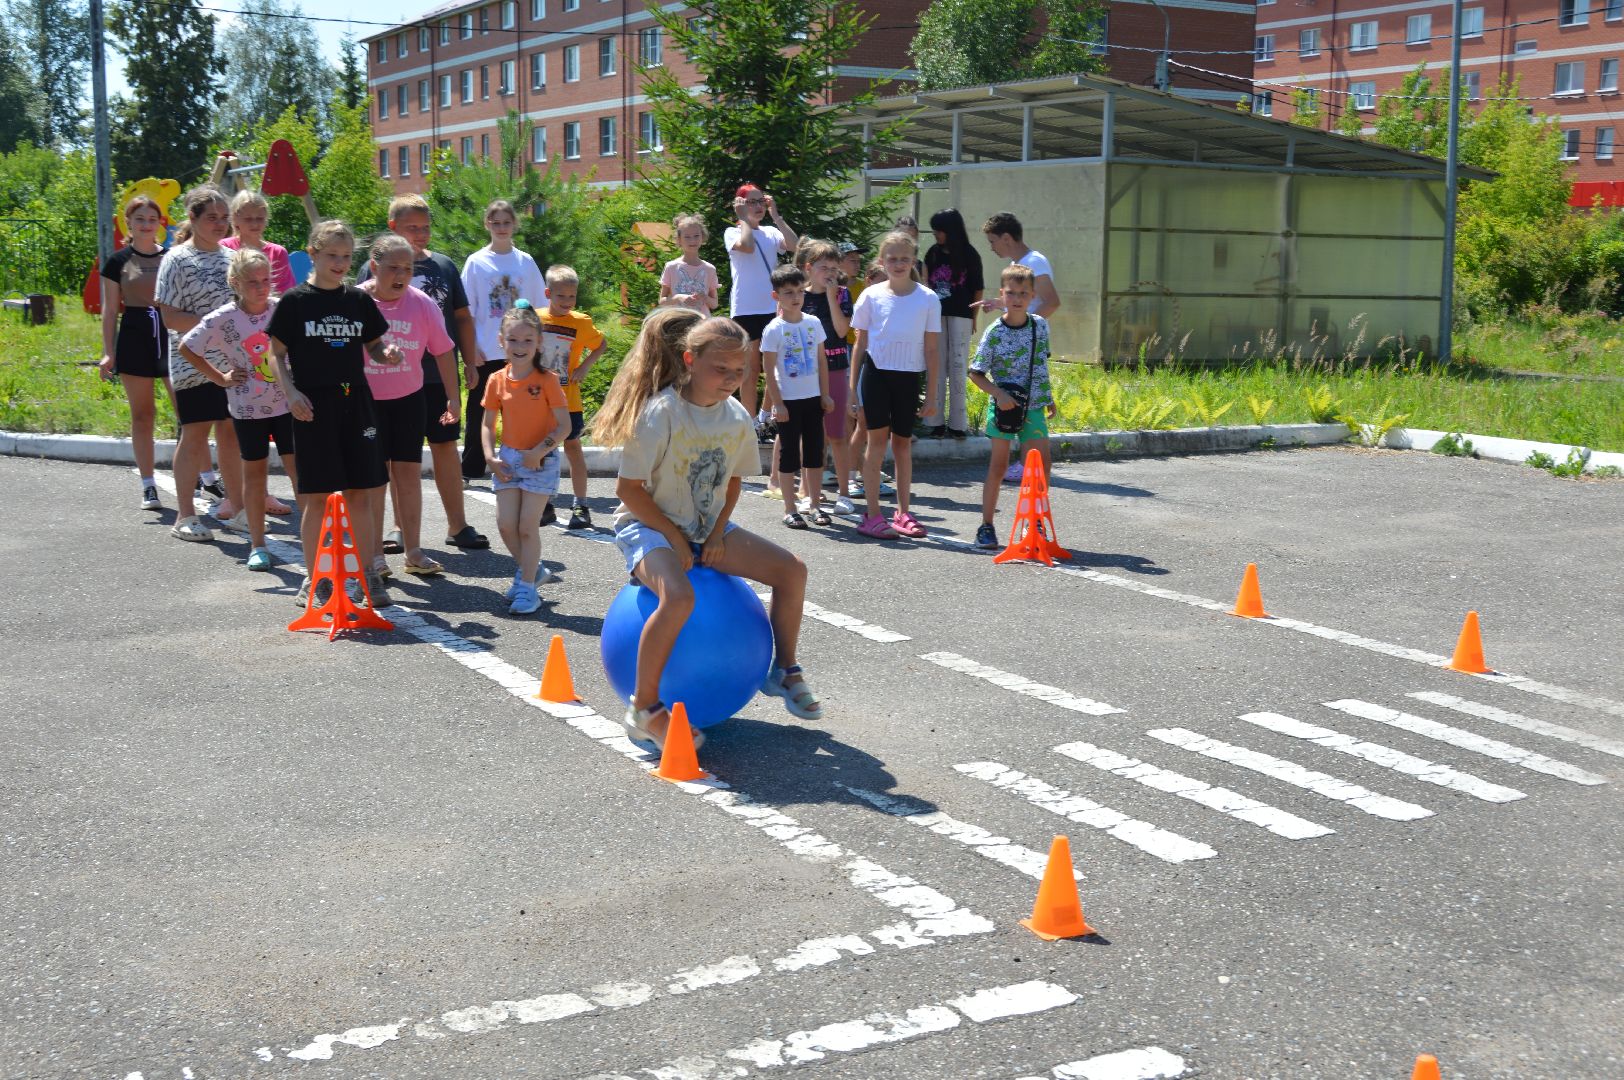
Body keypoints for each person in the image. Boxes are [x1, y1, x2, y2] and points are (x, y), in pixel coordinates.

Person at [592, 311, 821, 749]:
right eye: (721, 369)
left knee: (792, 570)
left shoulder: (735, 416)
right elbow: (629, 491)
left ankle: (784, 670)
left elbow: (732, 482)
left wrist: (716, 535)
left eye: (739, 371)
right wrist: (676, 539)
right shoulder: (661, 413)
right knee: (679, 596)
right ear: (689, 361)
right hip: (647, 527)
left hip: (705, 527)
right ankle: (645, 707)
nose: (732, 379)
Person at [266, 220, 401, 609]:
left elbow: (373, 345)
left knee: (361, 492)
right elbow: (275, 354)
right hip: (312, 406)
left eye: (346, 257)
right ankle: (314, 579)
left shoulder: (357, 300)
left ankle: (367, 576)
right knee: (317, 498)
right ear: (313, 254)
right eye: (332, 256)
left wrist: (386, 354)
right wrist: (290, 393)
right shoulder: (295, 301)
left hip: (356, 403)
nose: (340, 264)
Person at [364, 194, 488, 552]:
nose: (420, 234)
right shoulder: (377, 266)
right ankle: (399, 530)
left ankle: (458, 525)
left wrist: (468, 361)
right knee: (393, 458)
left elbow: (461, 317)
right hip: (388, 380)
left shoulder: (445, 266)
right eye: (411, 228)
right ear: (393, 229)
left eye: (425, 227)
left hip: (435, 374)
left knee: (445, 446)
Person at [178, 248, 296, 571]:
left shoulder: (283, 309)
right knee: (254, 477)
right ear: (235, 282)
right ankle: (258, 545)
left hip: (288, 405)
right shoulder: (224, 318)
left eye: (265, 280)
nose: (261, 287)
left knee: (299, 471)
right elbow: (187, 347)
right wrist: (221, 378)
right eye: (252, 282)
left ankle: (317, 539)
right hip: (247, 410)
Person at [359, 233, 460, 578]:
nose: (401, 275)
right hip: (365, 402)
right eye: (392, 268)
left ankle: (414, 551)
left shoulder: (421, 303)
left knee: (408, 475)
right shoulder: (355, 301)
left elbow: (443, 350)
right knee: (373, 480)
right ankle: (374, 556)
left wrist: (454, 397)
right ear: (374, 266)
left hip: (408, 399)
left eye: (407, 268)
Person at [155, 185, 246, 542]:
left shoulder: (230, 258)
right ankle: (185, 516)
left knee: (230, 432)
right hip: (193, 363)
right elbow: (169, 316)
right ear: (192, 219)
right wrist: (212, 327)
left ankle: (237, 509)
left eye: (225, 218)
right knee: (195, 434)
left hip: (233, 363)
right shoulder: (176, 259)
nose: (221, 224)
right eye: (212, 218)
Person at [849, 232, 941, 539]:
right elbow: (859, 345)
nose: (898, 264)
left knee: (903, 444)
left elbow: (931, 349)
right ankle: (872, 514)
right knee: (876, 442)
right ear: (881, 261)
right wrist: (852, 388)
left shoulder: (927, 298)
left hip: (908, 377)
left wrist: (935, 395)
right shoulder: (871, 295)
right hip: (876, 374)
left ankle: (903, 511)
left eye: (904, 258)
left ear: (914, 260)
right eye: (892, 258)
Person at [481, 303, 569, 616]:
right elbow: (487, 424)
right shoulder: (496, 380)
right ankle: (533, 570)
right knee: (506, 525)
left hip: (540, 461)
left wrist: (538, 451)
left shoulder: (548, 380)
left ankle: (528, 587)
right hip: (507, 459)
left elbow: (564, 426)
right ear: (501, 341)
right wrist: (490, 456)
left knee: (527, 527)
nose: (520, 347)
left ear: (539, 343)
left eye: (527, 340)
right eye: (513, 340)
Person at [968, 264, 1055, 550]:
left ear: (1032, 296)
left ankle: (1034, 519)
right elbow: (976, 372)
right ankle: (986, 525)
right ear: (1002, 294)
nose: (1017, 298)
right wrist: (999, 395)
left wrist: (1048, 395)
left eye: (1023, 293)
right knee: (999, 466)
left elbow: (1041, 363)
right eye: (1011, 293)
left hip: (1034, 406)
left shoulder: (1040, 325)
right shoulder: (994, 332)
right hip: (1005, 408)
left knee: (1040, 465)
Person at [461, 199, 547, 480]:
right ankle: (472, 468)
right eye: (495, 223)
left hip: (520, 348)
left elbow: (537, 308)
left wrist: (537, 345)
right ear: (487, 224)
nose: (501, 228)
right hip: (487, 349)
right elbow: (467, 311)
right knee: (479, 410)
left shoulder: (525, 262)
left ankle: (525, 463)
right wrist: (472, 348)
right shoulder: (476, 262)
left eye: (506, 223)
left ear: (514, 225)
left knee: (524, 408)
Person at [97, 194, 170, 511]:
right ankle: (148, 485)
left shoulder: (173, 257)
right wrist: (108, 353)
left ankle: (204, 475)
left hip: (170, 333)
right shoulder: (117, 262)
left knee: (190, 414)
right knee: (143, 415)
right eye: (139, 219)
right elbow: (110, 310)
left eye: (151, 219)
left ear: (160, 223)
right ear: (128, 223)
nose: (146, 224)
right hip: (135, 335)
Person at [979, 212, 1062, 483]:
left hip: (1029, 345)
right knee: (1014, 398)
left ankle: (1028, 463)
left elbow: (1050, 302)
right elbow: (1023, 303)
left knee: (1027, 401)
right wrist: (998, 304)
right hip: (1020, 342)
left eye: (993, 241)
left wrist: (1025, 332)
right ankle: (1022, 459)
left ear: (1006, 237)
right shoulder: (1020, 263)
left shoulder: (1034, 261)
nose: (991, 247)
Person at [724, 184, 798, 440]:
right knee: (750, 369)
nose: (758, 207)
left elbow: (794, 245)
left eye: (761, 202)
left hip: (772, 307)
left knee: (774, 366)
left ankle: (766, 416)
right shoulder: (732, 231)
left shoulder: (770, 231)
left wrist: (776, 215)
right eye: (751, 202)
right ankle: (750, 422)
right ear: (740, 204)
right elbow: (746, 246)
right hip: (745, 309)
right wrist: (744, 219)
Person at [537, 264, 607, 530]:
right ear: (548, 293)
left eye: (571, 296)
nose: (567, 302)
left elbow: (601, 344)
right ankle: (544, 504)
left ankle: (581, 504)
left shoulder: (581, 322)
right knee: (543, 448)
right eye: (561, 296)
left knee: (573, 448)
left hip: (569, 399)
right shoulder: (535, 318)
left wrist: (585, 366)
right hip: (540, 400)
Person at [761, 266, 831, 529]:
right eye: (788, 292)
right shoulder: (774, 329)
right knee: (789, 455)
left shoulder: (813, 323)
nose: (795, 297)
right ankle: (790, 509)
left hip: (814, 398)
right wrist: (777, 403)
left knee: (814, 453)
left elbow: (822, 361)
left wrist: (825, 394)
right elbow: (768, 369)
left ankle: (814, 504)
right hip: (788, 402)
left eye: (800, 291)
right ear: (776, 296)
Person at [795, 239, 855, 515]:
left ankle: (844, 493)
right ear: (809, 268)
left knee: (837, 434)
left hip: (835, 367)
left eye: (834, 267)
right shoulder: (797, 294)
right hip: (806, 373)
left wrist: (831, 298)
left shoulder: (842, 294)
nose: (830, 272)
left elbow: (842, 331)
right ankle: (809, 492)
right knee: (810, 435)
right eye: (823, 267)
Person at [922, 208, 984, 439]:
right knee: (936, 366)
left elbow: (978, 288)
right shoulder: (933, 253)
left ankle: (958, 424)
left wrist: (974, 317)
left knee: (958, 368)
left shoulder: (970, 254)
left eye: (940, 230)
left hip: (961, 316)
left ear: (951, 230)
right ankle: (934, 422)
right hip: (935, 317)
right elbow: (925, 284)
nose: (936, 234)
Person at [220, 189, 297, 295]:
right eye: (248, 219)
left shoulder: (277, 252)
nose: (255, 224)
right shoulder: (224, 247)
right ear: (235, 219)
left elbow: (285, 292)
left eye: (259, 219)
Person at [658, 214, 719, 315]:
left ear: (702, 236)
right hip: (678, 322)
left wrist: (704, 297)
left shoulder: (710, 269)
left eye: (696, 236)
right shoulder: (671, 267)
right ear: (679, 239)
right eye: (687, 237)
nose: (692, 240)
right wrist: (679, 298)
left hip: (702, 324)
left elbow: (714, 304)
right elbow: (662, 301)